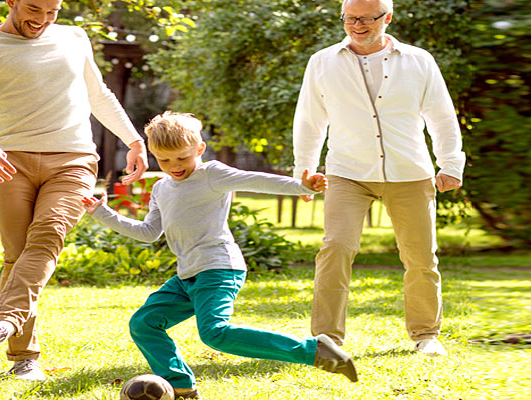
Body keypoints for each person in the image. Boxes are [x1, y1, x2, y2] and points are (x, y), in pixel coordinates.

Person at [82, 112, 358, 399]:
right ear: (153, 154)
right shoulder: (161, 188)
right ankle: (180, 384)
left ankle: (315, 351)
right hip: (187, 275)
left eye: (182, 158)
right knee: (144, 323)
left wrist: (302, 186)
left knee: (215, 332)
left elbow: (255, 180)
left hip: (218, 268)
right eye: (164, 160)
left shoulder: (211, 174)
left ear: (199, 149)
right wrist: (102, 213)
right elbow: (149, 232)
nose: (174, 167)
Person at [0, 0, 149, 381]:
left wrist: (133, 139)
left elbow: (98, 95)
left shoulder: (74, 37)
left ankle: (4, 324)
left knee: (48, 236)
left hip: (74, 160)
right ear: (11, 3)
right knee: (18, 255)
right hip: (10, 161)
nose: (41, 20)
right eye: (33, 9)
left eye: (51, 11)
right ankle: (24, 359)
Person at [290, 0, 466, 355]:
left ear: (387, 18)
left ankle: (425, 335)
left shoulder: (419, 60)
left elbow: (443, 117)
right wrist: (303, 171)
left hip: (409, 172)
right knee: (335, 247)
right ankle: (326, 338)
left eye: (366, 18)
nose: (357, 25)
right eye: (350, 18)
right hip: (347, 172)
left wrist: (450, 164)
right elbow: (309, 120)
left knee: (420, 257)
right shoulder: (322, 62)